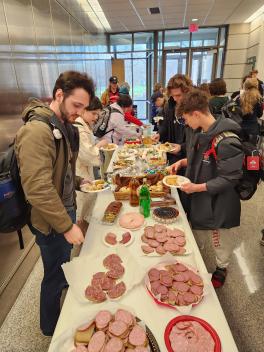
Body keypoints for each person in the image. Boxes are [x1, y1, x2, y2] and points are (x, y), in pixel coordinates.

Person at [15, 71, 95, 336]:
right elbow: (38, 189)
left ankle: (64, 310)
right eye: (77, 106)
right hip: (50, 219)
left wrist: (80, 181)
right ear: (59, 94)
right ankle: (51, 328)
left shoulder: (59, 124)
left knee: (62, 266)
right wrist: (66, 225)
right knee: (54, 274)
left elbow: (61, 171)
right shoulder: (37, 131)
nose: (80, 113)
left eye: (84, 107)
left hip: (64, 210)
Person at [168, 89, 244, 288]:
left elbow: (231, 178)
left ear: (196, 113)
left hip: (220, 200)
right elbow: (200, 159)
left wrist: (197, 187)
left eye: (186, 119)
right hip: (201, 193)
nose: (186, 124)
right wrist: (183, 163)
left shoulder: (227, 140)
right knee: (199, 227)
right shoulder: (201, 131)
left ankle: (221, 267)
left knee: (219, 236)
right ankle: (195, 263)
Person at [74, 97, 108, 235]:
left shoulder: (84, 125)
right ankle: (83, 241)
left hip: (85, 171)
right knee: (81, 209)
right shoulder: (79, 128)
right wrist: (99, 145)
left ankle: (86, 234)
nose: (96, 117)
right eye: (93, 113)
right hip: (80, 172)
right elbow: (87, 155)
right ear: (83, 110)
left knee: (87, 207)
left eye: (97, 114)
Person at [153, 74, 193, 164]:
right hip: (171, 155)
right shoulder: (169, 106)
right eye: (173, 95)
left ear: (187, 92)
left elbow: (198, 139)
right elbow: (165, 125)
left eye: (178, 95)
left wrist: (182, 147)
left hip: (187, 157)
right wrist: (159, 134)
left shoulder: (194, 109)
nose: (175, 99)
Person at [237, 77, 263, 145]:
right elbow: (259, 114)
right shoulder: (259, 99)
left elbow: (237, 113)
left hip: (240, 128)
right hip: (253, 129)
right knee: (251, 152)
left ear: (245, 85)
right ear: (256, 86)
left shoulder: (239, 98)